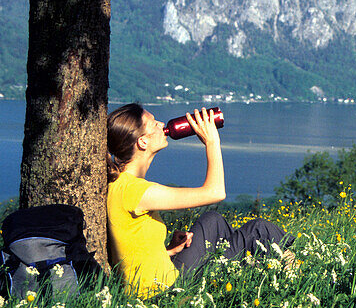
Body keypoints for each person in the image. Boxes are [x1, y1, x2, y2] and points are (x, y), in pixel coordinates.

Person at [106, 103, 294, 297]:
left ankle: (241, 267)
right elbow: (215, 192)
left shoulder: (123, 184)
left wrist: (168, 251)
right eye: (154, 124)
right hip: (165, 293)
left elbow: (132, 248)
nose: (161, 124)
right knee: (259, 229)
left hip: (162, 279)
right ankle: (295, 277)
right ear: (142, 142)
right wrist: (212, 143)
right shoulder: (135, 190)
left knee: (212, 221)